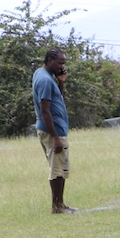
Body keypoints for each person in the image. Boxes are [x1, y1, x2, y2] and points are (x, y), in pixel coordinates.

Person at [32, 49, 75, 214]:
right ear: (50, 60)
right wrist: (55, 137)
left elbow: (58, 98)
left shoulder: (45, 76)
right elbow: (45, 110)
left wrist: (61, 82)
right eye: (59, 63)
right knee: (56, 169)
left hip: (56, 129)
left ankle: (60, 204)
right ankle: (57, 206)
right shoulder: (44, 80)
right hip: (52, 131)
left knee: (61, 168)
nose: (62, 66)